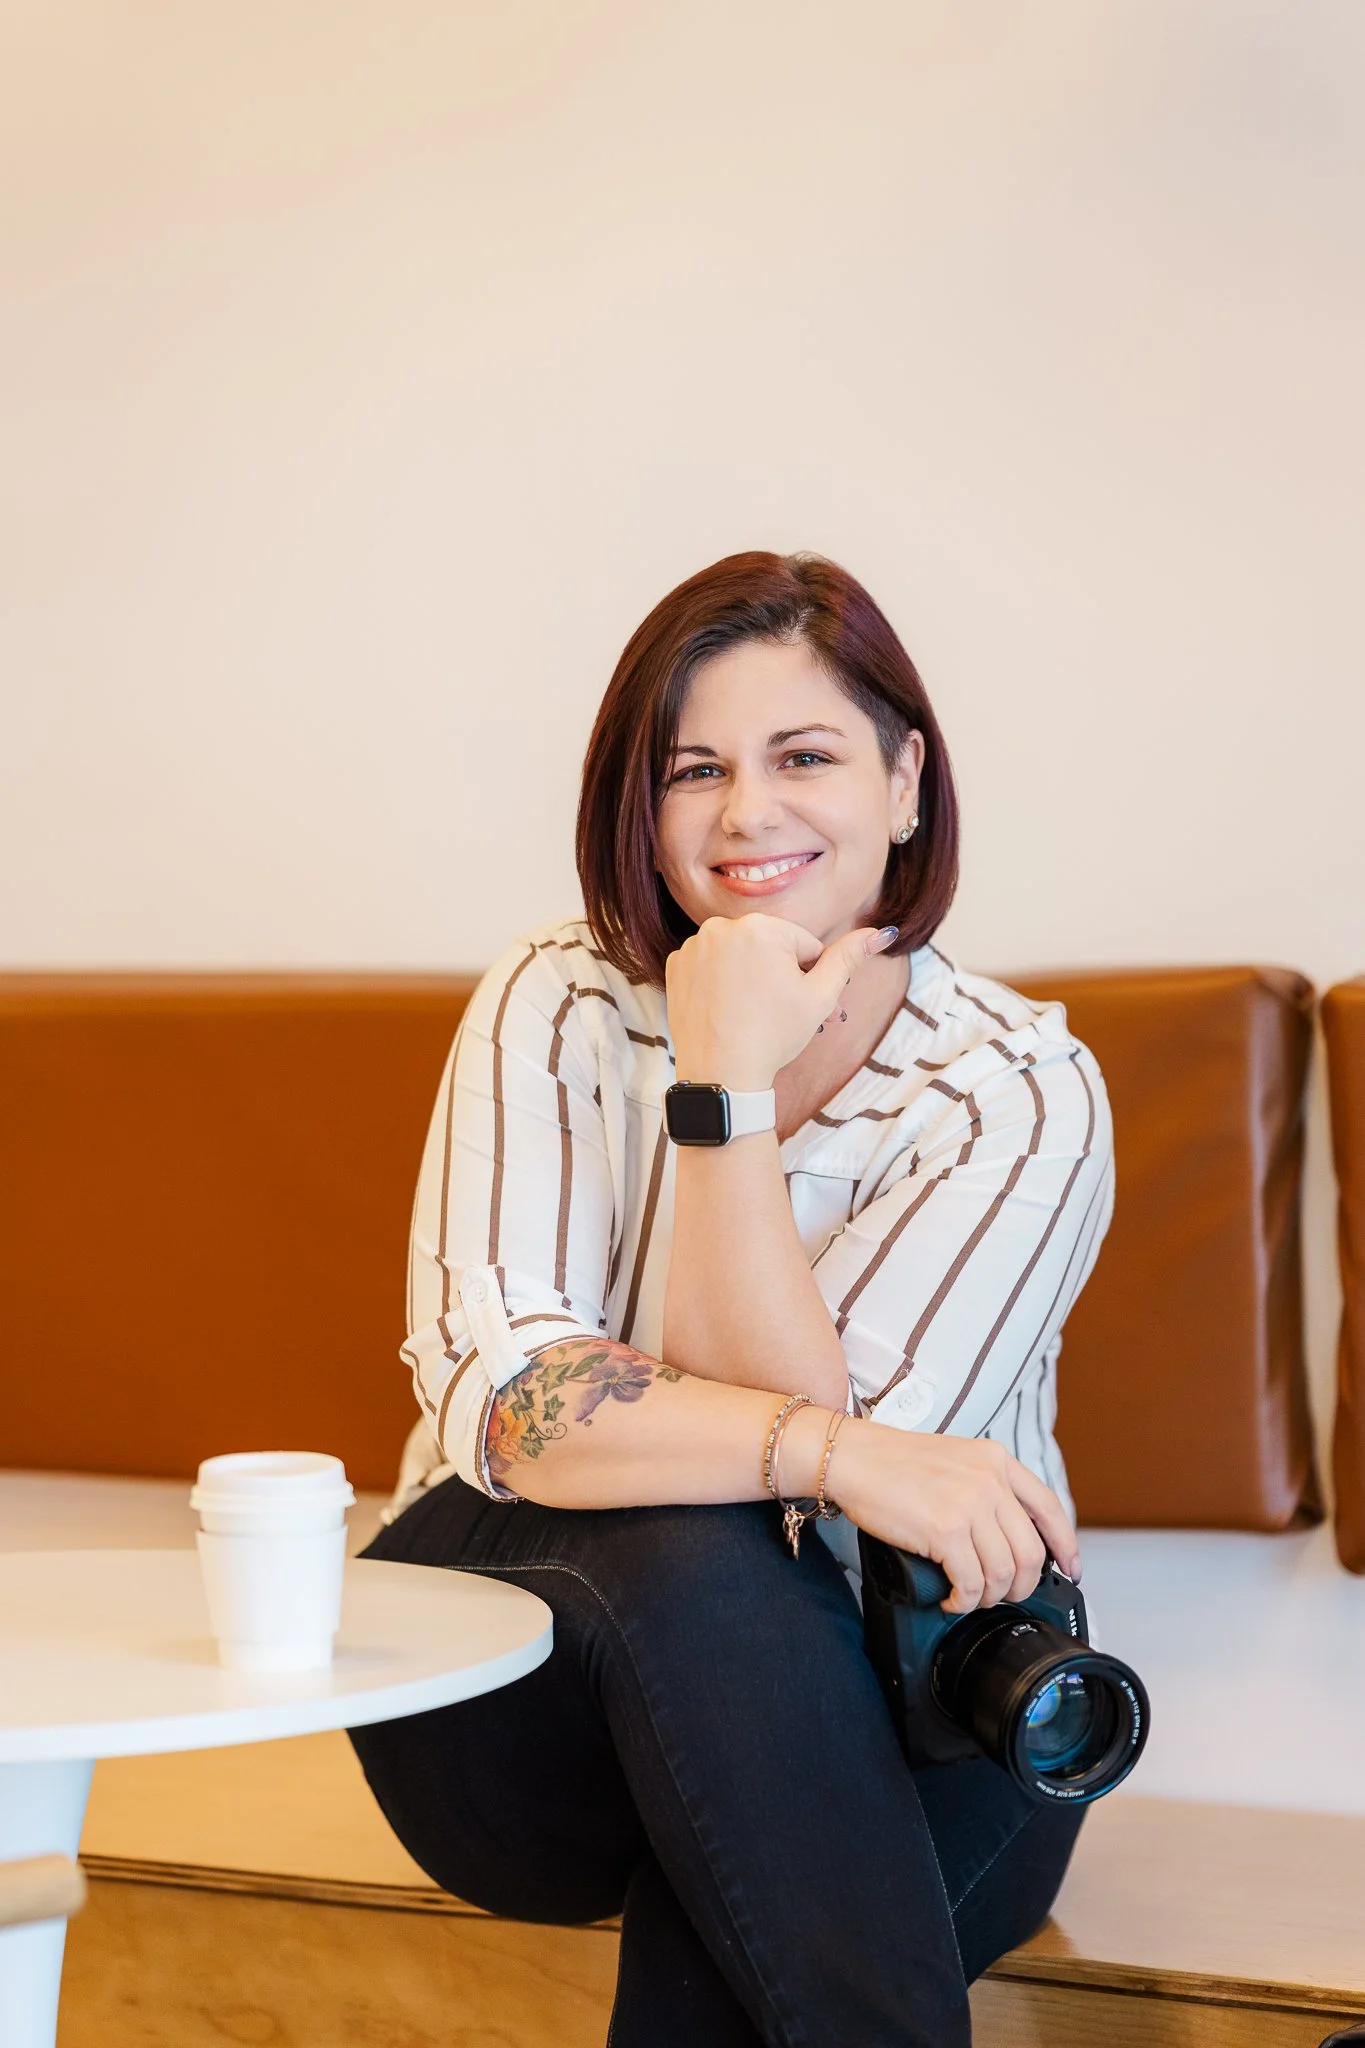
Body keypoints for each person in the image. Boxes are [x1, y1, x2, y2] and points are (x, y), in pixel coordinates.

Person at [349, 551, 1115, 2047]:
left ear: (907, 781)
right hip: (518, 1696)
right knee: (700, 1559)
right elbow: (514, 1410)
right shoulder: (557, 999)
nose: (748, 813)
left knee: (736, 1924)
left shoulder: (1016, 1091)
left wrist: (725, 1096)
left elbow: (831, 1549)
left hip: (919, 1691)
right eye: (695, 768)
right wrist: (723, 1079)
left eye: (805, 755)